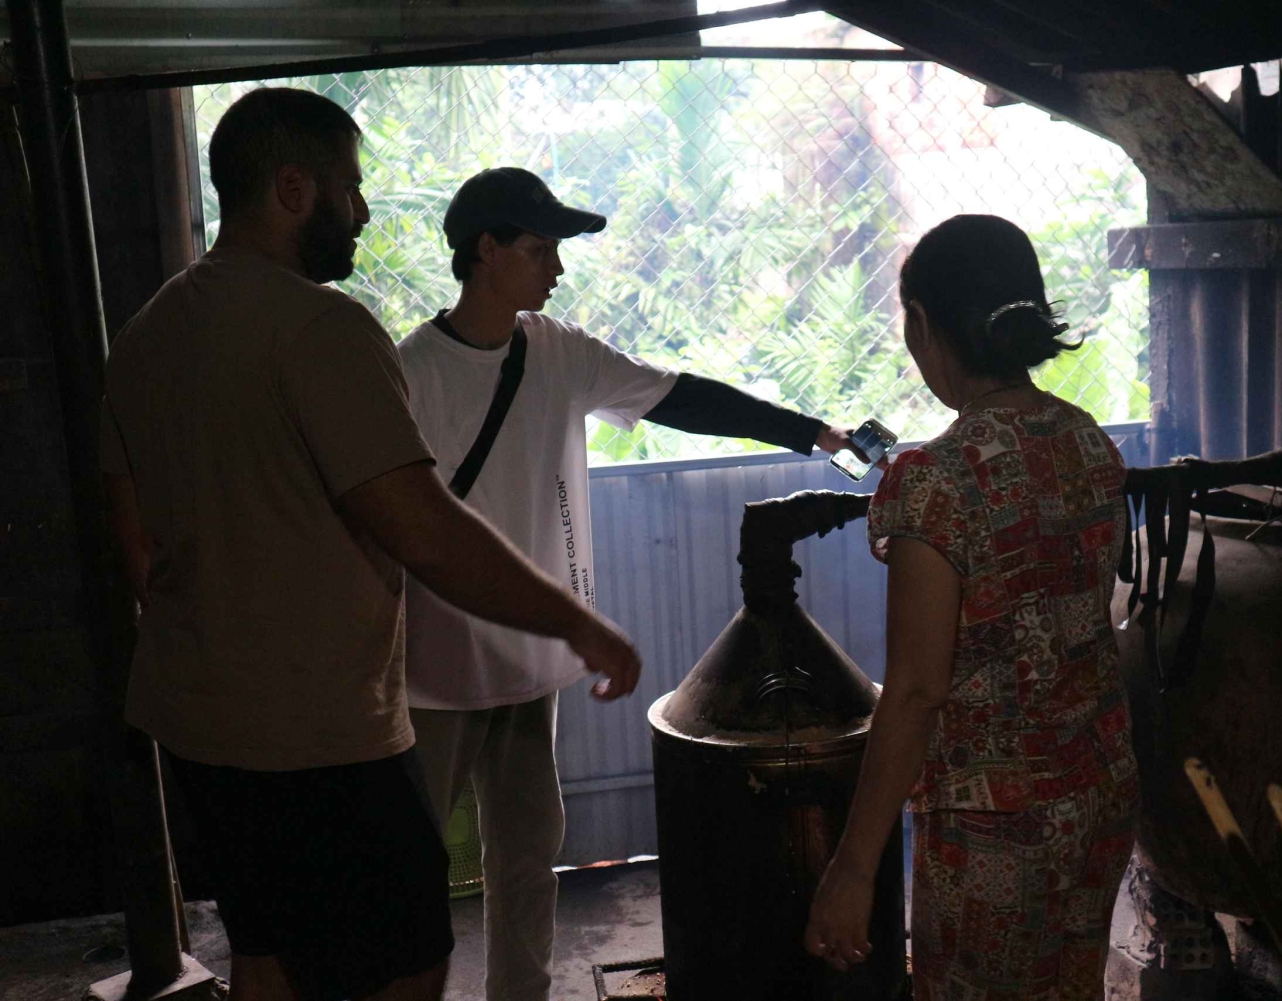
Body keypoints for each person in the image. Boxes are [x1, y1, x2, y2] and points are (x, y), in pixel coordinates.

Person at [99, 89, 641, 1001]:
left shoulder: (149, 330)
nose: (361, 210)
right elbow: (422, 527)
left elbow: (137, 549)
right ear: (291, 187)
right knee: (408, 956)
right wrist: (579, 623)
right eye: (350, 189)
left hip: (193, 718)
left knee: (266, 949)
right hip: (320, 729)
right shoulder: (323, 328)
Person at [397, 166, 865, 1001]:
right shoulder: (411, 372)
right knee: (412, 868)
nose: (557, 268)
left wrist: (812, 431)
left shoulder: (557, 351)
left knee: (529, 856)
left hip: (529, 661)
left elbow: (679, 397)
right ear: (487, 251)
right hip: (434, 666)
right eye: (541, 249)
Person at [802, 215, 1139, 1000]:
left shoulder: (934, 482)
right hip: (1097, 797)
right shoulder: (1088, 441)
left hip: (997, 833)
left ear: (923, 323)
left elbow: (917, 690)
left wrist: (852, 867)